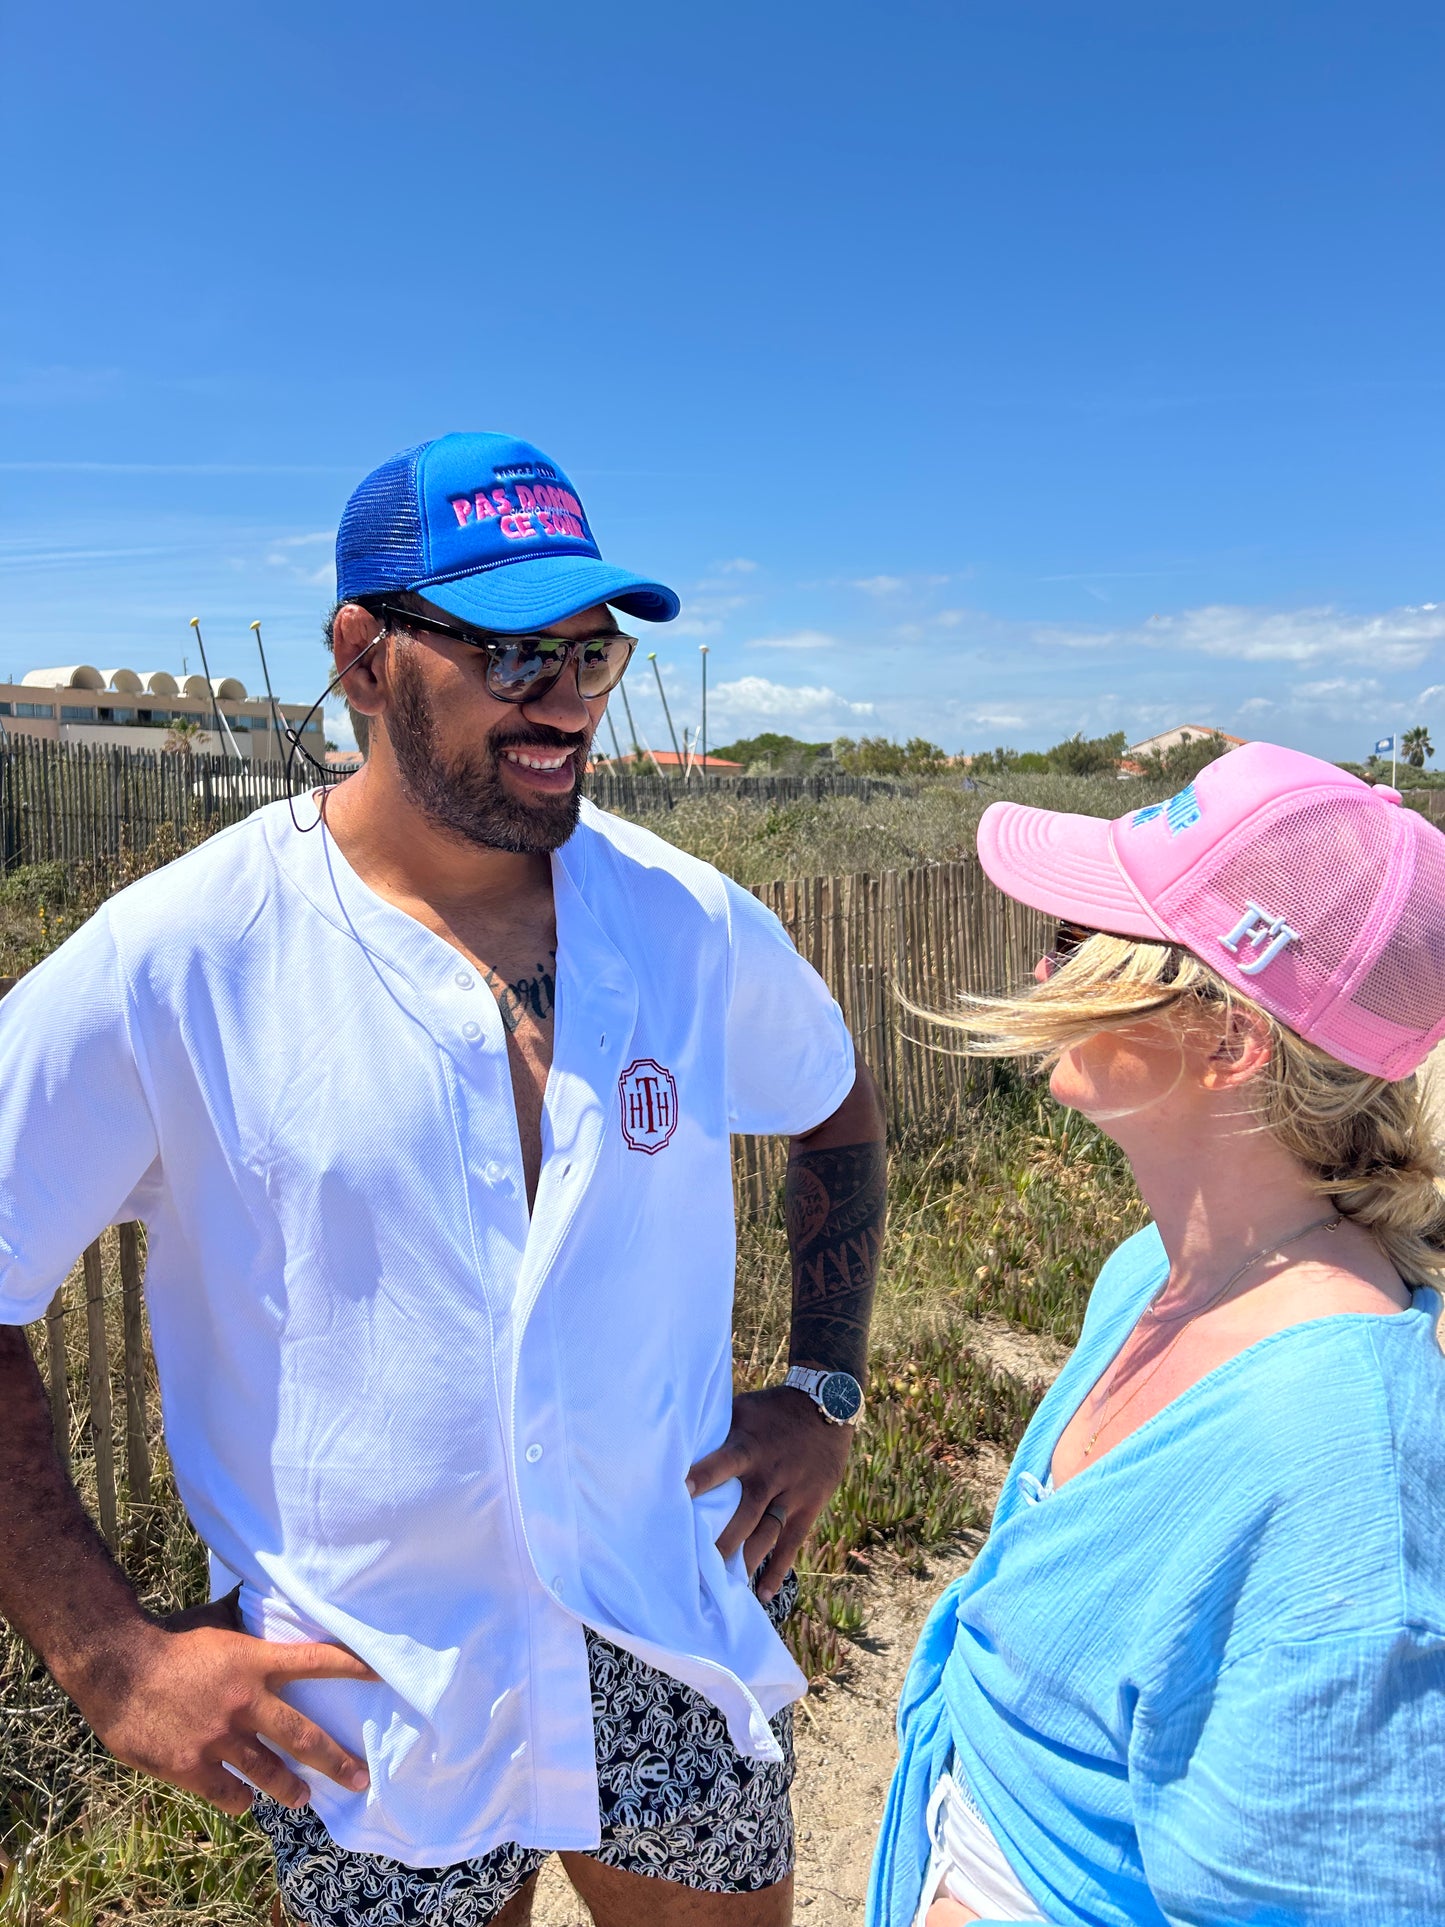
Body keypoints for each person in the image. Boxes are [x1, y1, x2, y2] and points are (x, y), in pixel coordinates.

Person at [0, 431, 887, 1927]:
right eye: (509, 653)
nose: (563, 703)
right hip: (373, 1689)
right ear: (364, 656)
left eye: (590, 656)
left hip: (661, 1620)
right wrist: (110, 1653)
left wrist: (824, 1386)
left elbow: (834, 1106)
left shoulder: (686, 921)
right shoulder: (184, 957)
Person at [869, 743, 1445, 1927]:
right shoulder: (1150, 1268)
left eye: (1084, 944)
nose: (1044, 965)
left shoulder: (1337, 1465)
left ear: (1232, 1037)